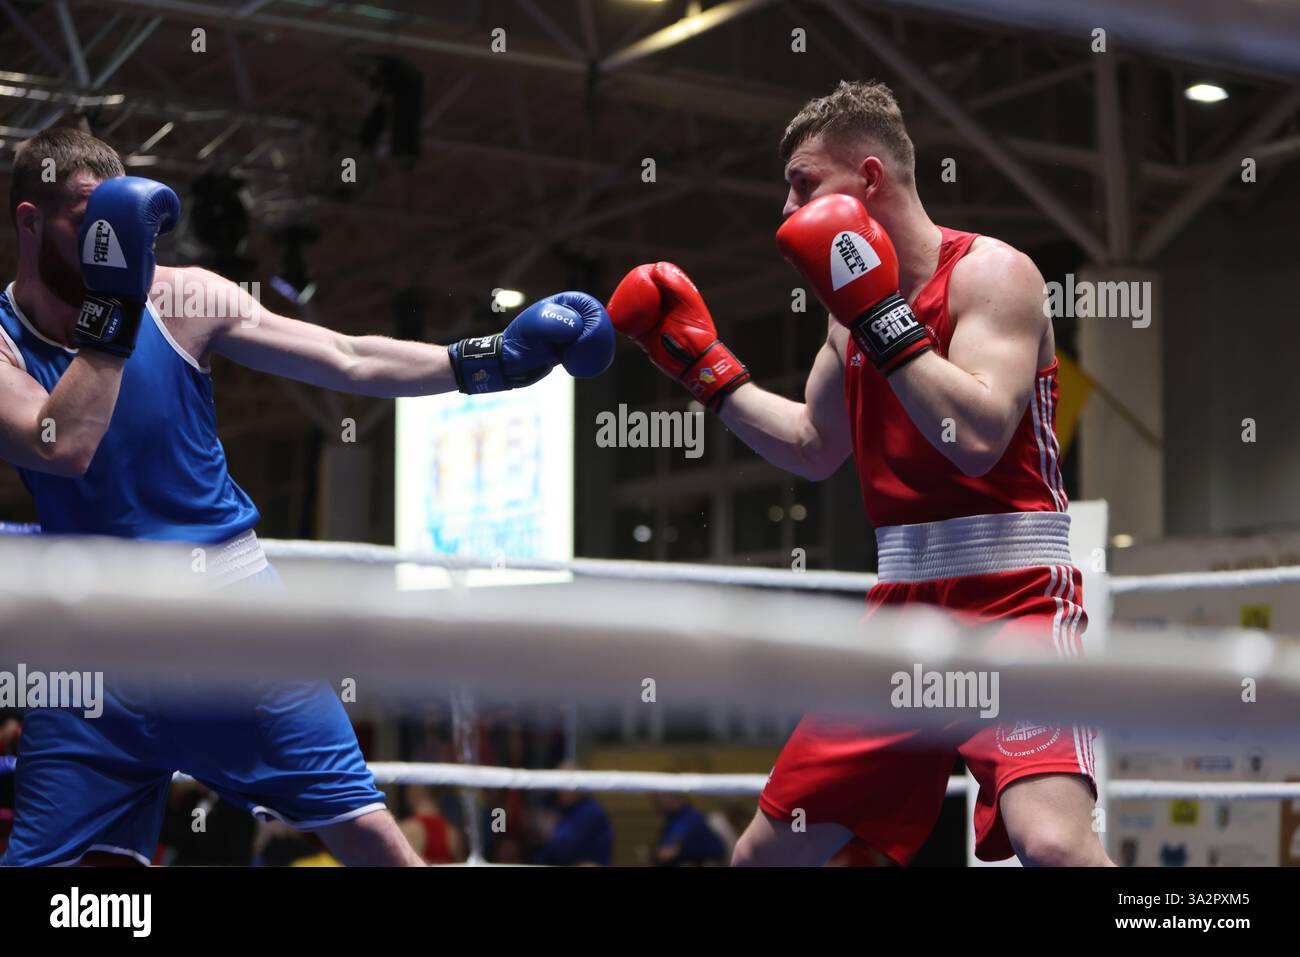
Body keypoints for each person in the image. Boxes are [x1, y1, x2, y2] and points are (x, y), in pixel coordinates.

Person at [0, 127, 614, 867]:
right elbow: (59, 444)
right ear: (30, 221)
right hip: (90, 650)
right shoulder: (6, 341)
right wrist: (115, 307)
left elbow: (345, 355)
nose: (113, 241)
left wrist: (487, 360)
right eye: (87, 221)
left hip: (228, 618)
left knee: (368, 837)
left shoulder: (183, 295)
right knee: (62, 882)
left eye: (116, 222)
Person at [607, 80, 1109, 867]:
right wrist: (708, 372)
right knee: (764, 856)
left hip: (1015, 593)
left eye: (803, 183)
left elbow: (975, 436)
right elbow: (812, 446)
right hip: (902, 608)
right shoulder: (847, 318)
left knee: (1054, 845)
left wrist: (882, 317)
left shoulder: (993, 275)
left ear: (869, 180)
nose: (785, 208)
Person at [650, 794, 726, 866]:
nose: (655, 802)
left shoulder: (689, 816)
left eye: (658, 798)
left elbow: (670, 850)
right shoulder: (672, 819)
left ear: (673, 797)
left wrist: (666, 852)